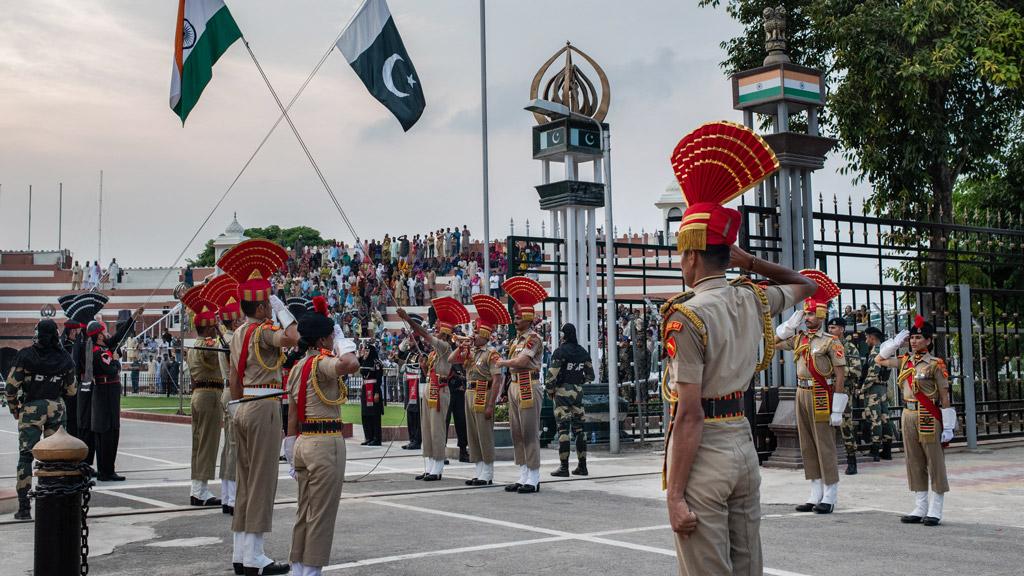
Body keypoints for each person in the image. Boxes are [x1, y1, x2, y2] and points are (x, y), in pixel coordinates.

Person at [662, 121, 815, 575]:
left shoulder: (686, 315)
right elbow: (803, 283)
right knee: (748, 567)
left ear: (690, 254)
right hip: (742, 444)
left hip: (705, 449)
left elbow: (688, 413)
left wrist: (674, 493)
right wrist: (747, 260)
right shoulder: (752, 298)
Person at [220, 239, 297, 576]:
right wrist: (282, 308)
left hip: (243, 405)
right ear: (263, 307)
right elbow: (292, 337)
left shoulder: (238, 332)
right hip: (264, 404)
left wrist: (236, 405)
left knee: (245, 480)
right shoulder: (264, 330)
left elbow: (235, 376)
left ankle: (241, 553)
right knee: (262, 482)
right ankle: (255, 557)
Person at [284, 298, 359, 576]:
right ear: (324, 339)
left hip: (303, 442)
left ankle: (299, 567)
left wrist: (290, 449)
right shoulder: (321, 362)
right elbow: (350, 363)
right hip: (325, 442)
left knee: (304, 511)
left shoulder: (297, 367)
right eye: (330, 336)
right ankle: (311, 570)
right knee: (322, 514)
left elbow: (292, 415)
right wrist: (343, 341)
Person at [775, 271, 848, 514]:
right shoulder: (799, 339)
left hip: (820, 394)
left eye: (810, 313)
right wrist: (786, 328)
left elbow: (840, 374)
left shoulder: (830, 342)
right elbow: (772, 343)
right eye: (805, 313)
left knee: (824, 444)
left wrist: (837, 407)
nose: (807, 317)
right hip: (801, 393)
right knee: (807, 444)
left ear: (821, 315)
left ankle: (830, 494)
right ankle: (815, 492)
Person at [875, 315, 955, 526]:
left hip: (928, 414)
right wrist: (894, 344)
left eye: (919, 338)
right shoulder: (905, 361)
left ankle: (935, 509)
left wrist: (948, 424)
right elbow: (879, 360)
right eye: (912, 338)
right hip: (908, 414)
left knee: (934, 461)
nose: (914, 341)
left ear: (928, 341)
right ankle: (920, 507)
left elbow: (945, 395)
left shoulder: (936, 364)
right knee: (914, 460)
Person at [5, 319, 76, 520]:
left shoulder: (25, 355)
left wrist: (15, 409)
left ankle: (24, 508)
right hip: (56, 408)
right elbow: (71, 390)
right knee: (56, 458)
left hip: (31, 408)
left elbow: (10, 388)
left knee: (26, 457)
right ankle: (55, 503)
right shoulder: (65, 357)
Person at [397, 297, 469, 481]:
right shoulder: (434, 352)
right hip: (430, 387)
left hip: (441, 389)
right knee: (427, 429)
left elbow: (422, 333)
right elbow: (430, 370)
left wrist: (408, 319)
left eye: (437, 330)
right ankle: (429, 466)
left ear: (443, 333)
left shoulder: (444, 346)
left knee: (437, 429)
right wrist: (423, 366)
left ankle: (437, 467)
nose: (434, 332)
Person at [449, 294, 509, 485]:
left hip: (484, 391)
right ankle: (479, 469)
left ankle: (488, 472)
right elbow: (451, 360)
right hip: (469, 392)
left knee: (484, 433)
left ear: (484, 335)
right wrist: (462, 346)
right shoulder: (471, 351)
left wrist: (492, 403)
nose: (472, 336)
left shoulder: (491, 353)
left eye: (476, 333)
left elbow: (497, 379)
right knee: (472, 434)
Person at [497, 276, 548, 494]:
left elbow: (522, 362)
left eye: (518, 318)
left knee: (529, 432)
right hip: (515, 386)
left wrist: (503, 362)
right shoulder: (515, 340)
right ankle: (523, 474)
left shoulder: (533, 338)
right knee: (517, 432)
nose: (515, 321)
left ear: (528, 318)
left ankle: (534, 478)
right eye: (514, 317)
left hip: (528, 384)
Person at [85, 306, 144, 481]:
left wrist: (133, 318)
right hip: (105, 393)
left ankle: (108, 469)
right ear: (100, 335)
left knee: (112, 432)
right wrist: (117, 363)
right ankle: (105, 470)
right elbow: (110, 369)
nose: (108, 334)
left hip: (109, 393)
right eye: (104, 331)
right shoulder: (97, 352)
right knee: (106, 432)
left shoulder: (104, 347)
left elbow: (120, 335)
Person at [181, 285, 224, 507]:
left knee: (199, 443)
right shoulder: (208, 345)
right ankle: (201, 490)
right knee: (208, 443)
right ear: (209, 329)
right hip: (209, 396)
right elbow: (219, 349)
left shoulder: (195, 345)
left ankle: (197, 487)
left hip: (200, 394)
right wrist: (222, 332)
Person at [207, 273, 245, 515]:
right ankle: (230, 498)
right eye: (239, 319)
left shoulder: (229, 339)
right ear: (233, 323)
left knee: (229, 445)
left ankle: (228, 495)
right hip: (233, 392)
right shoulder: (233, 340)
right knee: (234, 445)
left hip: (226, 391)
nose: (242, 321)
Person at [544, 322, 594, 477]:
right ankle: (582, 466)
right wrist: (578, 383)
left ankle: (564, 467)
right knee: (580, 429)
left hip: (562, 392)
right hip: (578, 391)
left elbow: (551, 375)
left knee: (563, 428)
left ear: (564, 335)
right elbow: (590, 375)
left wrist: (550, 391)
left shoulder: (560, 352)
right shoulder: (583, 352)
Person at [827, 316, 864, 475]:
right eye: (829, 328)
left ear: (842, 329)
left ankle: (851, 460)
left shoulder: (849, 348)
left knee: (845, 425)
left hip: (843, 391)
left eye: (834, 328)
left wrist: (839, 371)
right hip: (825, 390)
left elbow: (856, 370)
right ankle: (827, 461)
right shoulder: (825, 345)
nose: (830, 331)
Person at [862, 326, 894, 461]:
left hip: (874, 388)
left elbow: (873, 372)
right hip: (883, 388)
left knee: (875, 419)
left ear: (872, 338)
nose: (865, 340)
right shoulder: (885, 350)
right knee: (885, 418)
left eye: (866, 337)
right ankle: (887, 450)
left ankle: (875, 451)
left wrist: (862, 388)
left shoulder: (876, 352)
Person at [397, 329, 424, 450]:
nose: (409, 341)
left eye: (411, 339)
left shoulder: (422, 354)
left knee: (417, 414)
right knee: (410, 413)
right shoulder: (409, 353)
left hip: (417, 385)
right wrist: (406, 340)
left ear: (417, 341)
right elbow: (400, 353)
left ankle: (417, 440)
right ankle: (411, 439)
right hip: (409, 384)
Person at [358, 341, 385, 446]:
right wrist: (361, 355)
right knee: (365, 414)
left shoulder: (376, 363)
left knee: (374, 414)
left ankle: (376, 438)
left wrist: (377, 392)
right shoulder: (363, 361)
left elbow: (379, 379)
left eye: (367, 350)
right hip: (365, 388)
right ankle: (368, 437)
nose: (365, 352)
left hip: (374, 388)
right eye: (365, 350)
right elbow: (356, 363)